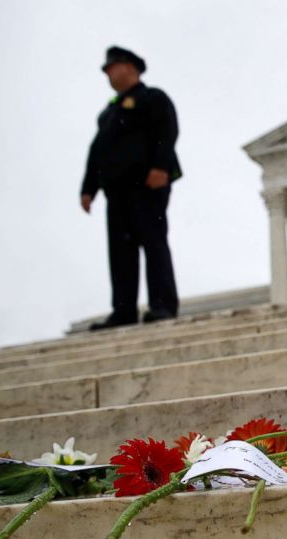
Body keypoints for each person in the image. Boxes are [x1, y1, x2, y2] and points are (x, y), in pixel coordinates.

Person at [81, 46, 181, 330]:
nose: (108, 73)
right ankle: (123, 311)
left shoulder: (152, 98)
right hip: (117, 189)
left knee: (154, 242)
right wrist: (88, 188)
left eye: (113, 67)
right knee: (120, 251)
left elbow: (167, 131)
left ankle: (162, 304)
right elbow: (97, 152)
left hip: (148, 183)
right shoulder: (108, 113)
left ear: (131, 67)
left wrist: (161, 167)